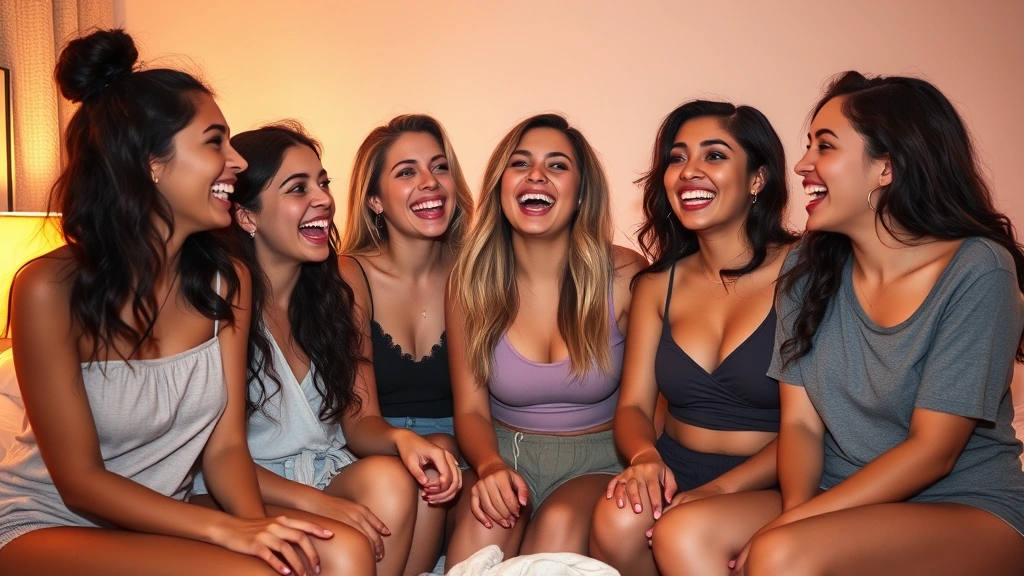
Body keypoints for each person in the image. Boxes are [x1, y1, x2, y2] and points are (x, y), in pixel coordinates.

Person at [0, 29, 373, 575]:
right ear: (151, 161)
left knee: (342, 550)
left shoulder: (228, 283)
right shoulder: (47, 291)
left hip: (168, 511)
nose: (237, 161)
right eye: (215, 141)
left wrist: (261, 531)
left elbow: (224, 453)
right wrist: (231, 532)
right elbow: (81, 482)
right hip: (53, 521)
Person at [736, 71, 1024, 575]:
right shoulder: (808, 268)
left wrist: (790, 531)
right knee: (682, 531)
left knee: (779, 556)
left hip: (961, 503)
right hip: (837, 490)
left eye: (824, 146)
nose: (802, 164)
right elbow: (802, 425)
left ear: (885, 167)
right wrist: (796, 513)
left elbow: (932, 451)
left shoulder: (979, 270)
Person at [190, 121, 455, 576]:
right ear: (247, 216)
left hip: (326, 470)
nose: (323, 199)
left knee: (399, 476)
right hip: (241, 488)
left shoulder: (334, 296)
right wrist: (320, 504)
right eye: (298, 188)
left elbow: (359, 418)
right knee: (354, 534)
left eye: (323, 182)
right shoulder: (219, 305)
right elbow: (216, 457)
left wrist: (401, 438)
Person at [589, 101, 797, 576]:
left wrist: (722, 490)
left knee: (683, 529)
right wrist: (644, 457)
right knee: (617, 519)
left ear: (757, 180)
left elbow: (820, 423)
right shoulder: (654, 285)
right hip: (677, 463)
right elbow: (634, 408)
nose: (690, 172)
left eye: (715, 156)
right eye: (678, 158)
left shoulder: (805, 270)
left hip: (774, 476)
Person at [445, 113, 647, 567]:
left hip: (598, 460)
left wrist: (646, 460)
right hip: (500, 455)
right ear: (501, 186)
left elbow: (653, 399)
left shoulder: (625, 275)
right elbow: (471, 409)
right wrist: (491, 467)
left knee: (555, 528)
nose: (536, 175)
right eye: (520, 163)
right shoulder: (468, 281)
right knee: (480, 533)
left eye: (557, 165)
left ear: (581, 194)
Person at [338, 114, 474, 571]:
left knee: (482, 488)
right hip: (380, 450)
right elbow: (358, 422)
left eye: (439, 167)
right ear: (375, 200)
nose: (430, 183)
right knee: (420, 464)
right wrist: (409, 443)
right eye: (407, 172)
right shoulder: (348, 275)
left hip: (463, 452)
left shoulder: (477, 271)